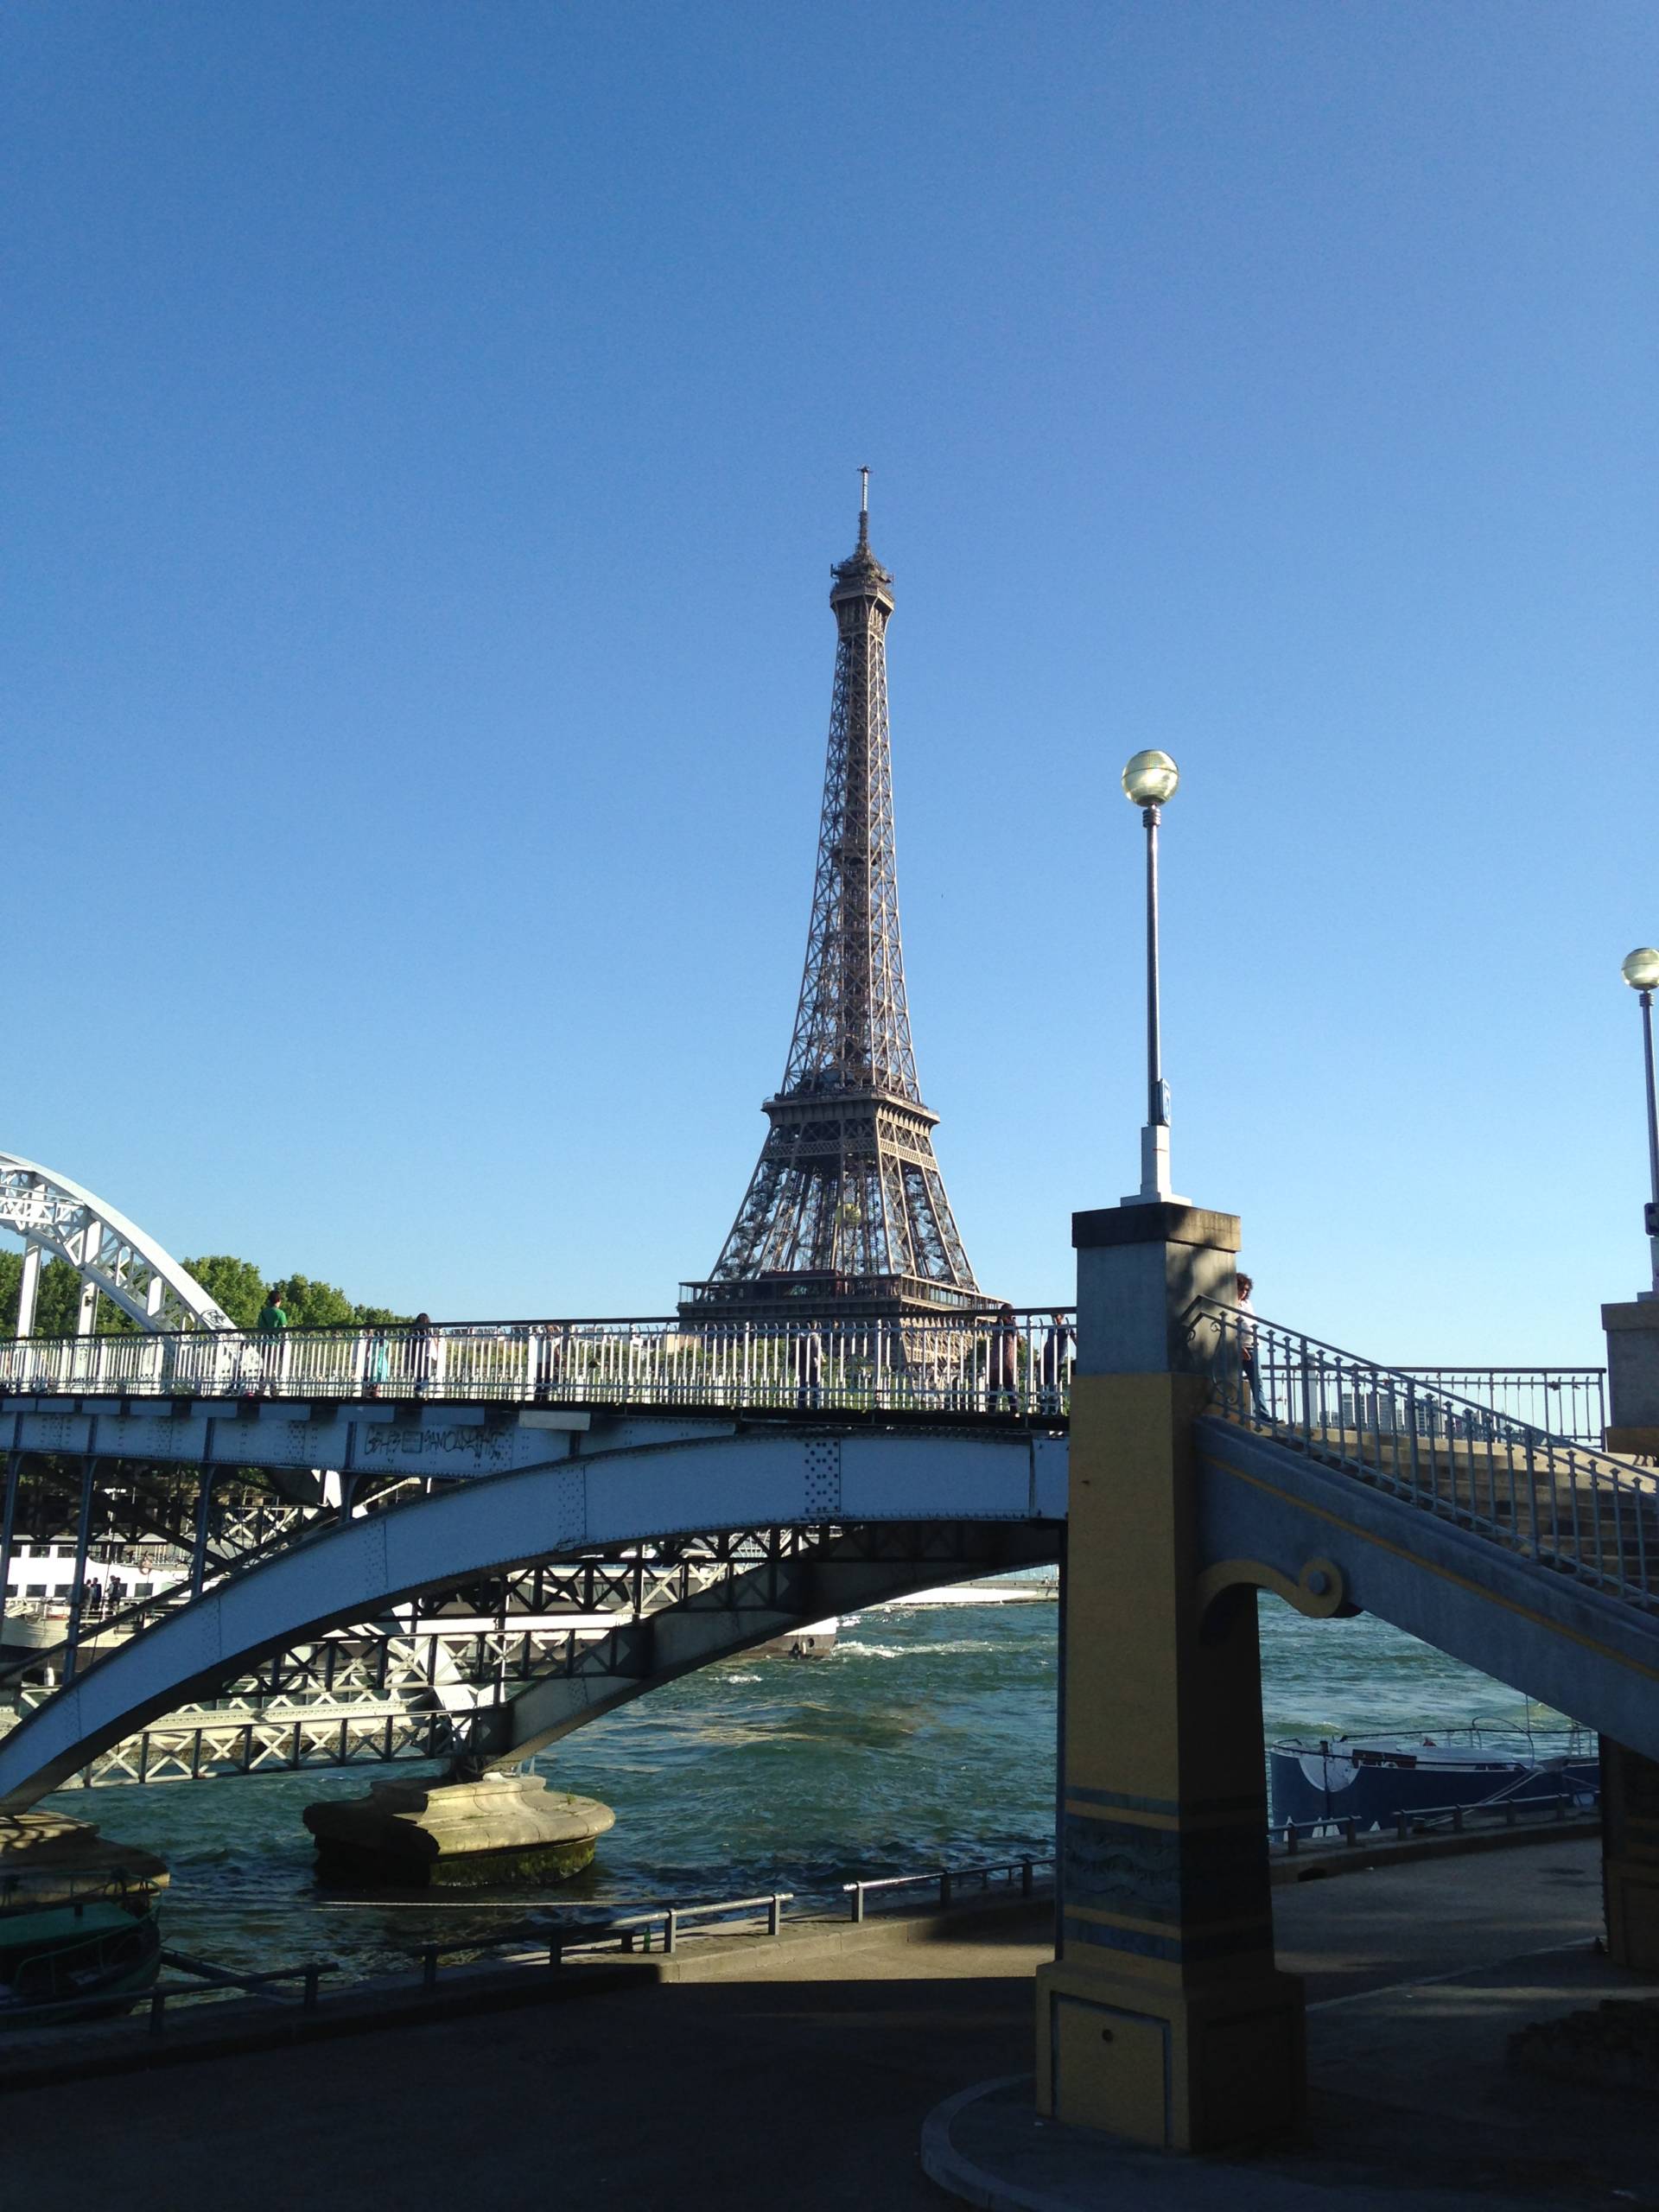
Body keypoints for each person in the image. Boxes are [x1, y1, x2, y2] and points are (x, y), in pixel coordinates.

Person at [1236, 1273, 1269, 1421]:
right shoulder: (1229, 1302)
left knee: (1257, 1380)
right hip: (1240, 1345)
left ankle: (1262, 1414)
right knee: (1235, 1379)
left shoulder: (1247, 1304)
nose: (1243, 1292)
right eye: (1241, 1288)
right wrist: (1238, 1346)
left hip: (1253, 1344)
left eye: (1246, 1289)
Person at [1039, 1311, 1073, 1414]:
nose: (1053, 1318)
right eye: (1052, 1316)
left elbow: (1074, 1338)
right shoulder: (1051, 1329)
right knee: (1043, 1385)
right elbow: (1048, 1343)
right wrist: (1041, 1357)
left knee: (1053, 1386)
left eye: (1055, 1316)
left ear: (1061, 1317)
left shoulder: (1066, 1328)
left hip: (1057, 1361)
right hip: (1047, 1359)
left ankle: (1053, 1410)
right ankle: (1044, 1409)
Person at [988, 1304, 1021, 1413]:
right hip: (1004, 1359)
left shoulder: (1000, 1326)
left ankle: (993, 1410)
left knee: (999, 1388)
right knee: (1007, 1387)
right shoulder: (1006, 1326)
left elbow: (1019, 1341)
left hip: (1000, 1360)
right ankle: (1013, 1410)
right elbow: (1019, 1342)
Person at [255, 1285, 288, 1395]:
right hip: (275, 1344)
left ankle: (264, 1388)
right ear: (279, 1301)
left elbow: (260, 1327)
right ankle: (271, 1389)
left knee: (266, 1365)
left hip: (264, 1343)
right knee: (272, 1366)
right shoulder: (280, 1313)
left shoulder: (263, 1312)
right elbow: (284, 1329)